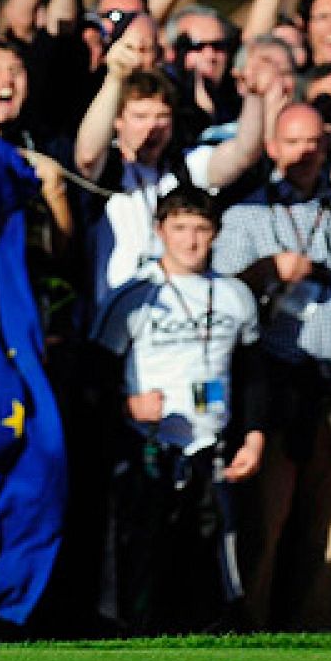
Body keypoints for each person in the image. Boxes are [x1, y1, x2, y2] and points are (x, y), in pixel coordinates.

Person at [213, 103, 331, 630]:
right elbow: (218, 292)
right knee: (267, 519)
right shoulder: (247, 213)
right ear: (272, 147)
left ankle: (314, 630)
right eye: (293, 142)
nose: (305, 153)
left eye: (315, 142)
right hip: (279, 377)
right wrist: (267, 271)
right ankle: (251, 626)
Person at [92, 187, 266, 632]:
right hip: (150, 449)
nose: (191, 240)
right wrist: (128, 405)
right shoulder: (134, 295)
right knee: (145, 562)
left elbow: (252, 374)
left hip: (212, 450)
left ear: (216, 233)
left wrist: (254, 437)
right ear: (160, 231)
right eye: (180, 228)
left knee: (212, 566)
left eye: (201, 229)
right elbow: (91, 378)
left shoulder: (235, 295)